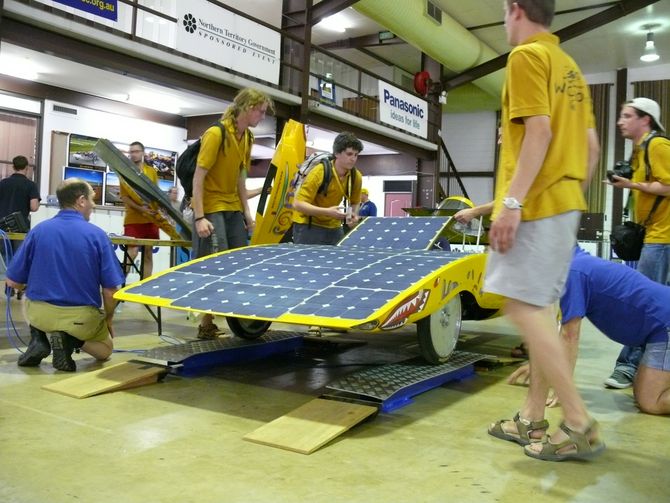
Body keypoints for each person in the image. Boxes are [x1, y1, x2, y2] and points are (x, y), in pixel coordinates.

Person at [484, 0, 601, 461]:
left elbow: (539, 132)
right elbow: (590, 148)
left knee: (521, 308)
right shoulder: (568, 66)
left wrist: (513, 204)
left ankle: (577, 422)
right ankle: (531, 418)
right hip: (564, 203)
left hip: (535, 206)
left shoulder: (526, 57)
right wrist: (566, 197)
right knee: (538, 314)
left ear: (515, 8)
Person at [503, 248, 670, 421]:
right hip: (658, 327)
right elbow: (559, 330)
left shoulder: (573, 272)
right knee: (643, 391)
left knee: (651, 401)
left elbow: (569, 336)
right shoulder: (576, 265)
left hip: (665, 324)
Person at [5, 178, 125, 372]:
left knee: (29, 297)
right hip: (81, 319)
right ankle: (71, 340)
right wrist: (108, 319)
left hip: (40, 316)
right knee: (105, 351)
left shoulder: (38, 231)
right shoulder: (97, 235)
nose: (93, 205)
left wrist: (31, 287)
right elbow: (111, 291)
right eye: (92, 199)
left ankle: (39, 337)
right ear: (81, 200)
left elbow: (12, 281)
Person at [192, 88, 275, 339]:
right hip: (211, 207)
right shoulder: (217, 134)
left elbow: (240, 177)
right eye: (261, 111)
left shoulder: (247, 137)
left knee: (239, 265)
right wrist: (199, 217)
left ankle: (232, 317)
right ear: (248, 108)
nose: (262, 116)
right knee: (218, 267)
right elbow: (198, 177)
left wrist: (247, 214)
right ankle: (206, 325)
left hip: (232, 208)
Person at [605, 97, 670, 389]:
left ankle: (628, 366)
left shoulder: (657, 146)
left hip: (664, 237)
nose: (621, 121)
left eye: (627, 115)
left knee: (642, 303)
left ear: (646, 120)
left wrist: (631, 185)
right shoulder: (639, 150)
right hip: (653, 235)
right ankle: (644, 365)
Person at [292, 131, 363, 245]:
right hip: (308, 224)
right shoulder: (319, 172)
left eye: (356, 155)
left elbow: (354, 202)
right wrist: (327, 212)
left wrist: (350, 217)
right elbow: (298, 204)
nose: (353, 159)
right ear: (337, 153)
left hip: (334, 226)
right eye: (349, 154)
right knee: (308, 262)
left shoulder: (356, 176)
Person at [119, 141, 160, 278]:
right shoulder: (124, 173)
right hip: (133, 219)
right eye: (131, 152)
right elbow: (125, 197)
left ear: (143, 153)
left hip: (151, 218)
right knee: (133, 250)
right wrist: (141, 209)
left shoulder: (151, 172)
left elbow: (156, 194)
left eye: (136, 151)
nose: (133, 154)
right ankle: (117, 284)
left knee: (148, 253)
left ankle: (145, 287)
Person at [0, 155, 41, 268]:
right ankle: (17, 283)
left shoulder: (3, 183)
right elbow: (34, 207)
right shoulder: (30, 185)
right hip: (20, 227)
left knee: (4, 258)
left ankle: (5, 284)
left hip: (2, 228)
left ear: (13, 166)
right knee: (20, 258)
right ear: (27, 167)